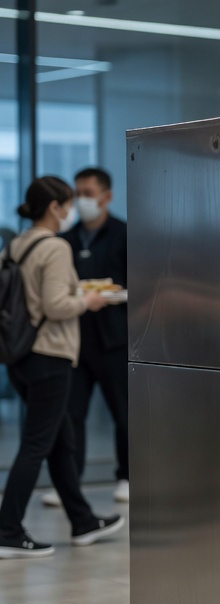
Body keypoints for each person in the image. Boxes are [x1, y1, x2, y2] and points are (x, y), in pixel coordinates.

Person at [0, 177, 124, 558]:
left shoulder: (17, 245)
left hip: (21, 356)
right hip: (50, 357)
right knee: (38, 443)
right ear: (54, 208)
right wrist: (87, 301)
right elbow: (55, 306)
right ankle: (8, 529)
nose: (71, 211)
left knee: (61, 441)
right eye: (68, 204)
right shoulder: (54, 247)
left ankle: (82, 521)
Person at [41, 167, 129, 507]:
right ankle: (68, 483)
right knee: (69, 416)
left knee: (124, 413)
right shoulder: (67, 238)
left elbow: (142, 285)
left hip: (114, 339)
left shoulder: (124, 234)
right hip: (75, 339)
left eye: (88, 194)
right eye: (78, 194)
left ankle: (127, 477)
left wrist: (117, 293)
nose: (82, 200)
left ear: (107, 196)